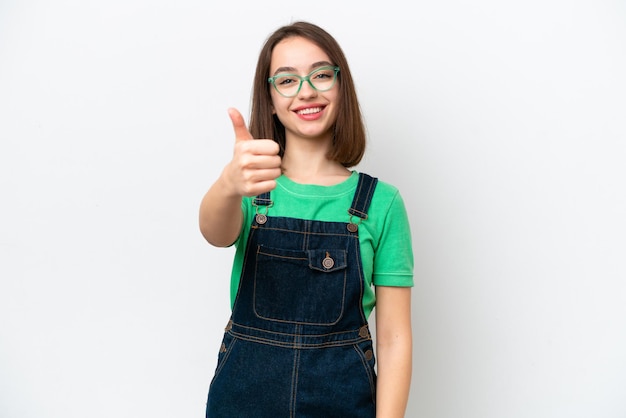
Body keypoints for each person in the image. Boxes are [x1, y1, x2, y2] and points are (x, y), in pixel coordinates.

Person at [199, 21, 414, 418]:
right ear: (270, 98)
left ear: (340, 85)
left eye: (320, 75)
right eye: (287, 80)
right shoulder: (250, 188)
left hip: (343, 400)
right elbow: (214, 232)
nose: (306, 91)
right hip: (244, 398)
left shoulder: (382, 204)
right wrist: (230, 182)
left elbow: (395, 337)